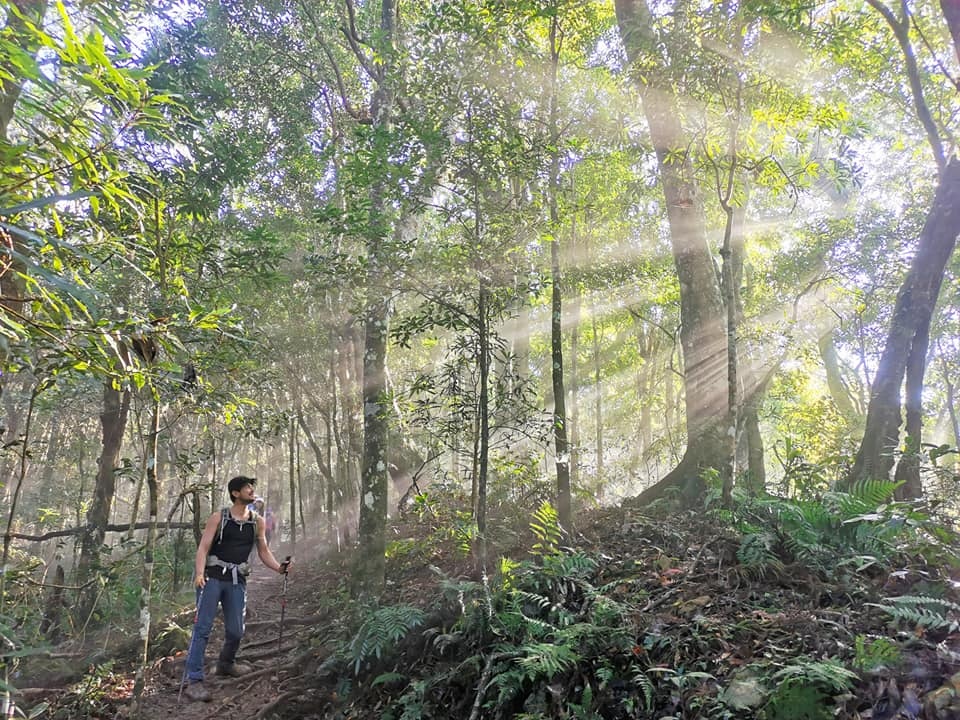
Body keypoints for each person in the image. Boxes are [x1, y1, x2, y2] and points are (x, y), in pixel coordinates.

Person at [182, 475, 292, 702]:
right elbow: (203, 548)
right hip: (211, 578)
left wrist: (279, 569)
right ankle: (194, 680)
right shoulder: (218, 518)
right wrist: (200, 573)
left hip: (236, 581)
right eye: (247, 489)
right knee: (202, 629)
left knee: (236, 631)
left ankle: (226, 663)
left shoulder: (257, 521)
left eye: (252, 488)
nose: (252, 492)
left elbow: (263, 552)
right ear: (235, 493)